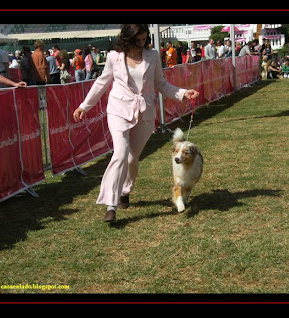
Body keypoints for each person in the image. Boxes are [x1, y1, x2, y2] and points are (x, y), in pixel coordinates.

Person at [72, 24, 199, 223]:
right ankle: (111, 205)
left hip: (145, 112)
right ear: (127, 38)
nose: (142, 44)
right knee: (120, 153)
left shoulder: (153, 55)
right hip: (118, 110)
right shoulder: (115, 56)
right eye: (137, 40)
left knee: (132, 158)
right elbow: (102, 82)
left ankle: (125, 191)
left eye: (144, 39)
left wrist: (183, 93)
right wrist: (84, 106)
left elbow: (161, 84)